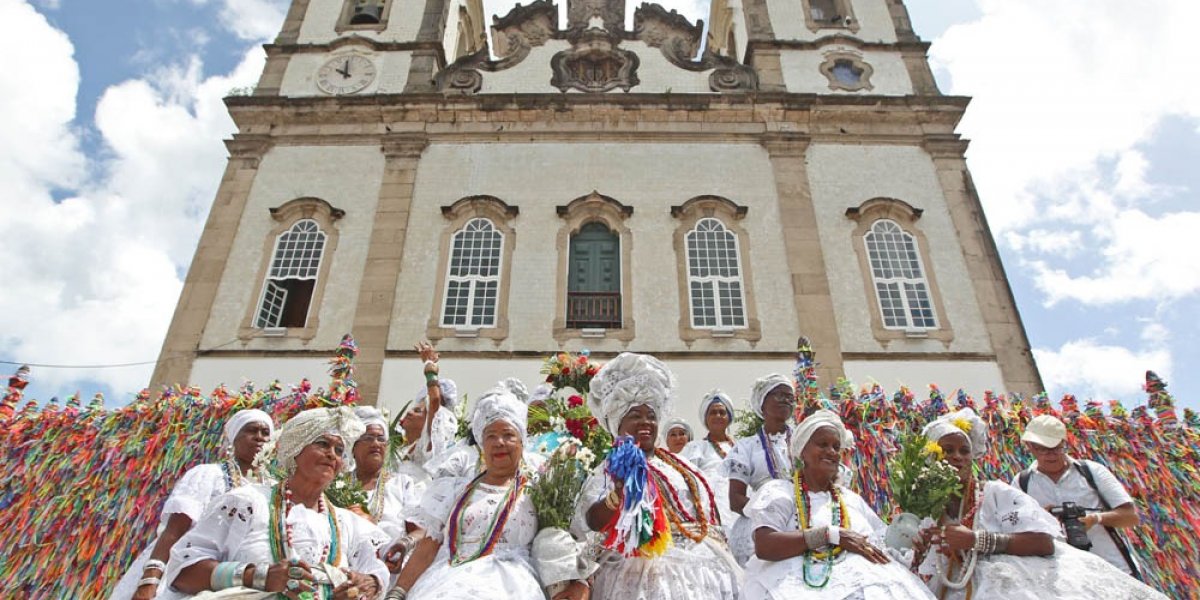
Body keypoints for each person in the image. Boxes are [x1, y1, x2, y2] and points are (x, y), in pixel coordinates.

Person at [913, 409, 1166, 600]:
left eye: (964, 451)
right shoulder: (928, 509)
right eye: (947, 450)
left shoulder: (996, 492)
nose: (957, 457)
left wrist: (975, 540)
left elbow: (1043, 542)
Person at [160, 407, 390, 600]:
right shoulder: (247, 502)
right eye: (322, 444)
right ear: (295, 450)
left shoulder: (347, 523)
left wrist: (366, 584)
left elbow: (378, 570)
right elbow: (182, 571)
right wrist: (258, 576)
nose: (332, 454)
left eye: (339, 450)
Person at [386, 388, 592, 600]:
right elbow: (428, 547)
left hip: (512, 586)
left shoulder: (539, 490)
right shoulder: (455, 490)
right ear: (482, 445)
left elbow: (567, 538)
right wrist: (397, 593)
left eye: (508, 435)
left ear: (522, 442)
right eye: (490, 436)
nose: (499, 442)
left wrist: (580, 581)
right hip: (447, 579)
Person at [574, 352, 741, 600]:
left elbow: (708, 515)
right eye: (636, 416)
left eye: (651, 416)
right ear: (618, 424)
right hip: (638, 572)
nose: (646, 422)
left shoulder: (683, 467)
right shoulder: (608, 470)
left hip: (701, 568)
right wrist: (618, 495)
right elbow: (590, 521)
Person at [743, 410, 934, 600]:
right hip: (793, 584)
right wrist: (830, 535)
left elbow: (881, 544)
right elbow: (765, 545)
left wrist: (913, 543)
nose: (831, 452)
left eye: (836, 446)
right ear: (802, 451)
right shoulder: (780, 492)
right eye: (822, 444)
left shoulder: (850, 499)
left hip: (863, 582)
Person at [109, 409, 274, 600]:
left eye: (265, 433)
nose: (259, 438)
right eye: (252, 430)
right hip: (186, 574)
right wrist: (150, 581)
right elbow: (174, 531)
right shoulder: (208, 475)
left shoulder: (272, 489)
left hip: (244, 582)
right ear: (234, 438)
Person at [1013, 414, 1142, 576]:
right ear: (1029, 446)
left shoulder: (1092, 471)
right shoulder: (1021, 483)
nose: (1050, 455)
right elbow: (1014, 529)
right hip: (1065, 580)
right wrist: (1040, 519)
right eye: (1042, 449)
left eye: (1056, 448)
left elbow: (1130, 516)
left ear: (1064, 444)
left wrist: (1095, 519)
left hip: (1114, 570)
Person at [724, 374, 794, 565]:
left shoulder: (803, 442)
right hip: (761, 523)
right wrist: (769, 512)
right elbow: (735, 500)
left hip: (803, 517)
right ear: (763, 404)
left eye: (790, 397)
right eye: (779, 395)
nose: (786, 401)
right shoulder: (746, 447)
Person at [352, 406, 421, 541]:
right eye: (368, 438)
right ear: (353, 445)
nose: (376, 443)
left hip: (391, 557)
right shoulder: (338, 484)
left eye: (381, 439)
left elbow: (419, 531)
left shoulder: (402, 484)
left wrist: (404, 544)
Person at [682, 390, 736, 526]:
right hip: (711, 509)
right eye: (713, 412)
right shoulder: (696, 447)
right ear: (705, 419)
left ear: (729, 417)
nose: (718, 416)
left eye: (722, 412)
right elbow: (687, 478)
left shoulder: (741, 447)